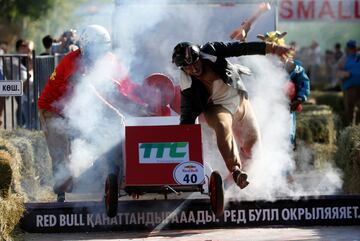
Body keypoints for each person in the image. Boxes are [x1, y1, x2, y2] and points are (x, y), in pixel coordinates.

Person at [38, 24, 154, 202]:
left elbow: (113, 88)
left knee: (102, 137)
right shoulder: (73, 62)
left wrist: (139, 107)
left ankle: (112, 180)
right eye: (96, 48)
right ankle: (61, 195)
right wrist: (115, 112)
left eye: (103, 48)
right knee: (62, 152)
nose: (100, 53)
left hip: (74, 108)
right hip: (53, 109)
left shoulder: (103, 60)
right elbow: (89, 92)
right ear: (86, 46)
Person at [172, 40, 292, 189]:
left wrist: (273, 48)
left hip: (240, 102)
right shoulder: (186, 85)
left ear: (199, 56)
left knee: (254, 153)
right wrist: (178, 149)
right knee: (222, 125)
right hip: (216, 108)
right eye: (188, 68)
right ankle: (235, 169)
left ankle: (226, 186)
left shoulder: (210, 50)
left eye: (195, 63)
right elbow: (187, 117)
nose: (194, 69)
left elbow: (240, 48)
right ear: (182, 68)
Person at [256, 31, 310, 150]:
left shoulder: (293, 66)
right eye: (270, 49)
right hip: (265, 108)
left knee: (286, 137)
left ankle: (285, 165)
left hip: (286, 108)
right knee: (266, 137)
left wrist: (300, 98)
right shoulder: (260, 66)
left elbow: (304, 82)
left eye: (276, 48)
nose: (274, 53)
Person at [336, 40, 360, 126]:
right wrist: (344, 74)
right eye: (351, 48)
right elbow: (337, 72)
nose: (353, 50)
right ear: (347, 49)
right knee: (350, 109)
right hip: (350, 88)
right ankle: (350, 127)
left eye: (354, 48)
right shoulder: (344, 59)